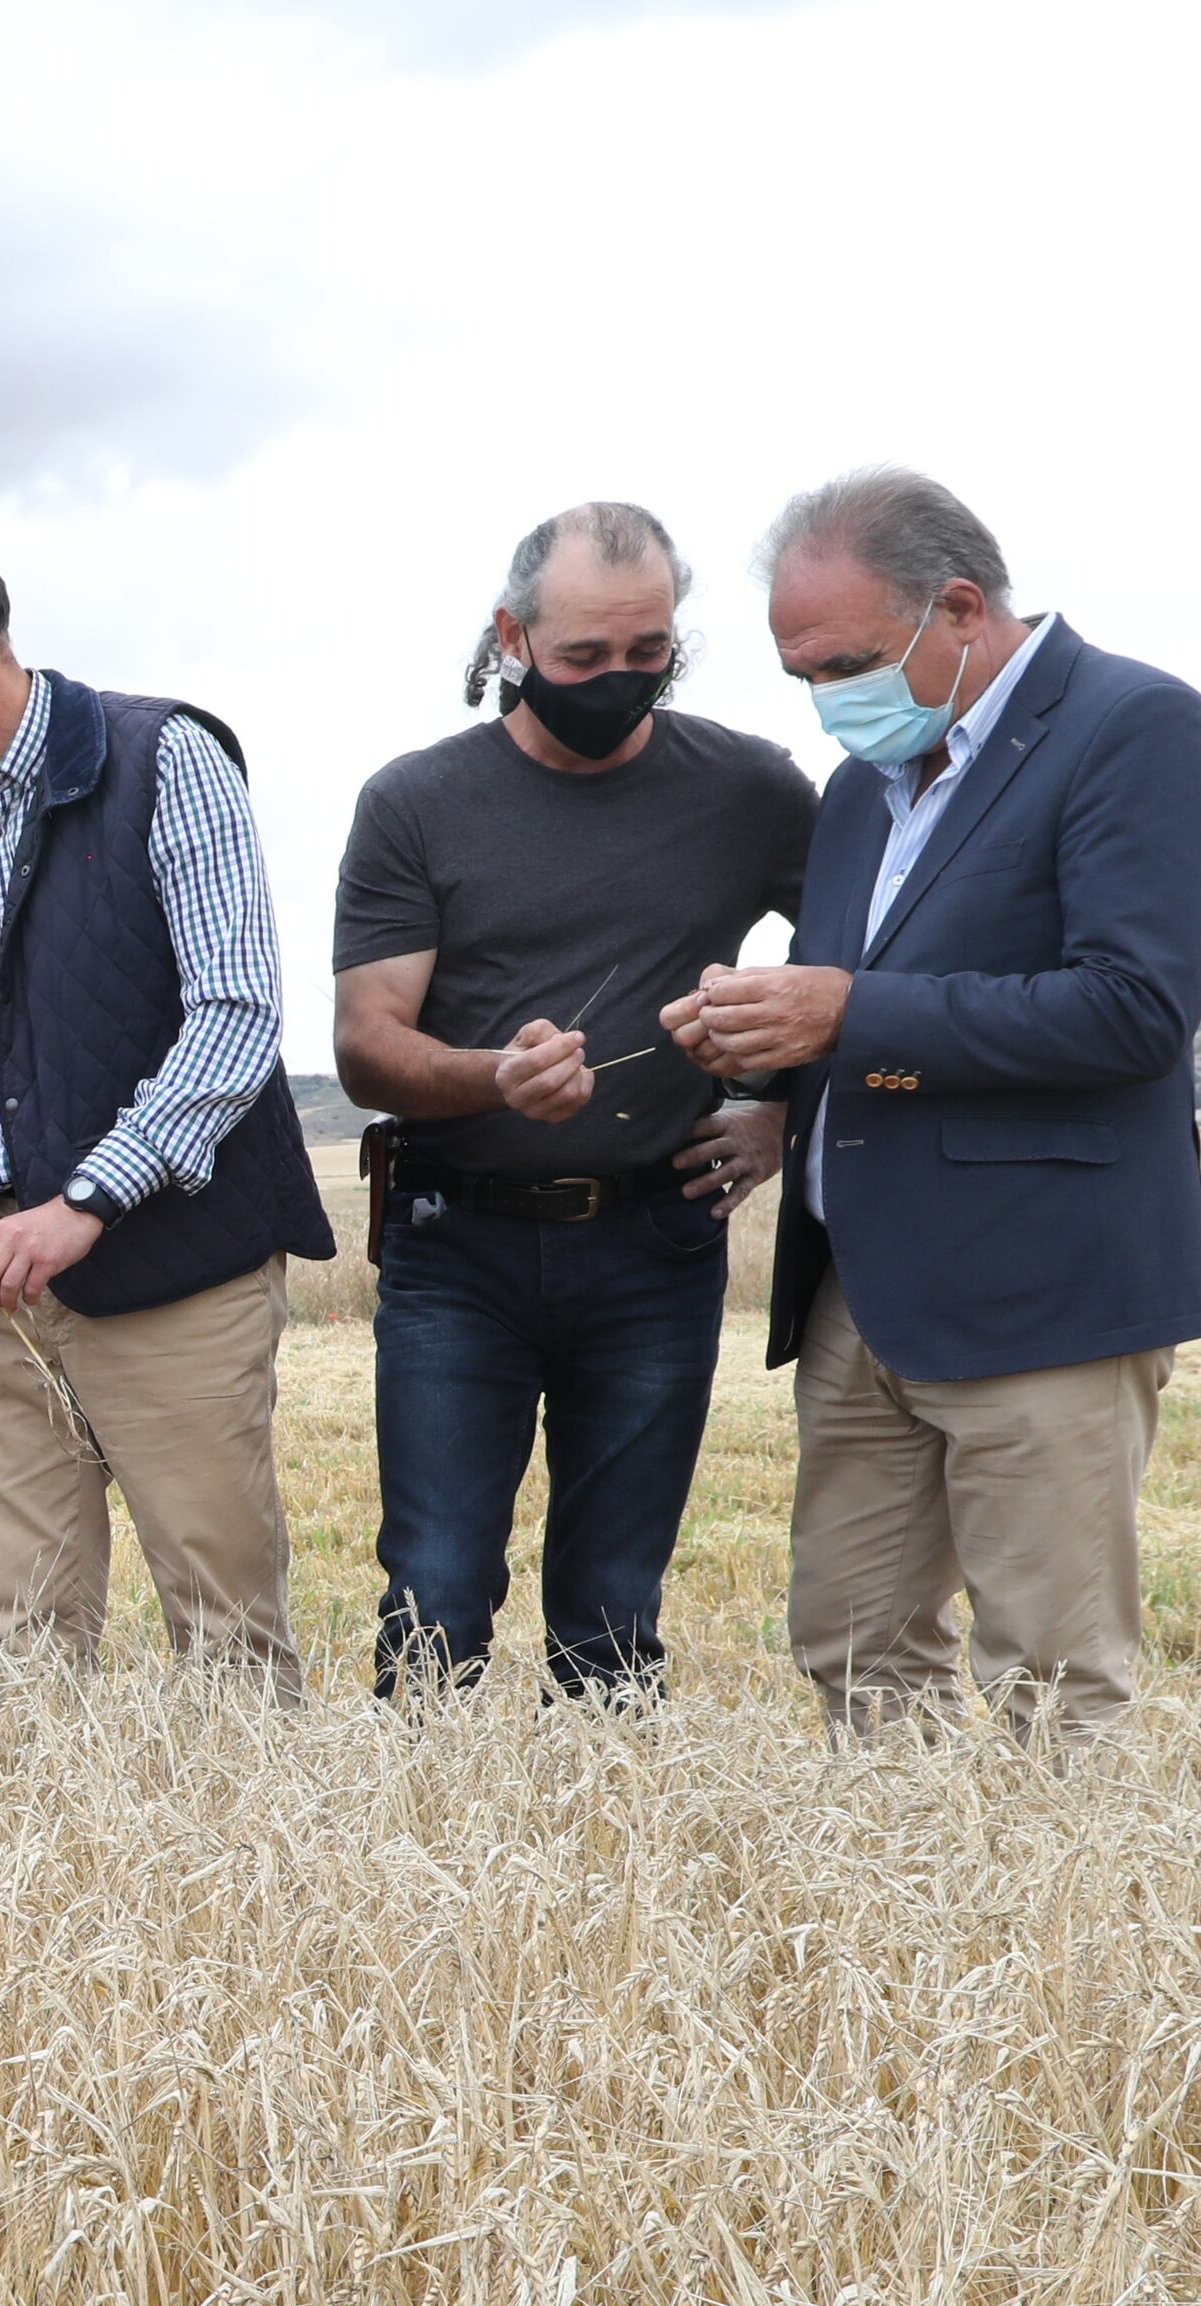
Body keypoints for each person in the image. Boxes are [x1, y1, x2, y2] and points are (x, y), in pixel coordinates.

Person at [664, 468, 1201, 1739]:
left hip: (1042, 1292)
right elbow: (858, 1011)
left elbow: (1131, 1010)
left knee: (1049, 1676)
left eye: (846, 663)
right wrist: (768, 1084)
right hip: (855, 1293)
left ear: (960, 609)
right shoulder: (859, 792)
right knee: (852, 1648)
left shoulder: (1135, 728)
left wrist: (837, 1014)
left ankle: (1076, 1935)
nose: (825, 702)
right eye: (799, 674)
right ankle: (905, 1926)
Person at [332, 503, 818, 1697]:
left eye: (645, 655)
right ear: (510, 637)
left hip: (655, 1246)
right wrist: (489, 1075)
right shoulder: (414, 801)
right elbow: (363, 1047)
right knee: (434, 1595)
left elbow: (864, 962)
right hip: (457, 1246)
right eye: (581, 658)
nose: (615, 681)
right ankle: (391, 1861)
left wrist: (772, 1110)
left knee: (611, 1614)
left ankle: (608, 1869)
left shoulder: (750, 789)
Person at [0, 526, 332, 1685]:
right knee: (19, 1641)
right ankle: (57, 1870)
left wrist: (87, 1198)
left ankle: (252, 1859)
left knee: (222, 1627)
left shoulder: (160, 759)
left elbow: (234, 1016)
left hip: (171, 1272)